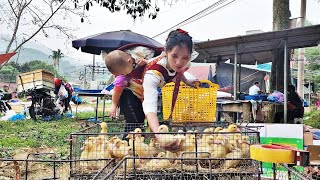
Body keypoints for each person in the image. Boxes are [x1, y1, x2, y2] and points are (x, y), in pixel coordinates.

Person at [142, 29, 199, 139]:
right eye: (174, 56)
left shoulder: (186, 64)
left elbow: (179, 71)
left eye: (185, 58)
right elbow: (150, 105)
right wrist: (160, 136)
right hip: (135, 88)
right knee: (137, 120)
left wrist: (186, 81)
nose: (179, 62)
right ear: (166, 52)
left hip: (155, 86)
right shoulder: (153, 72)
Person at [103, 47, 155, 135]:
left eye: (123, 73)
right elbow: (117, 91)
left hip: (140, 94)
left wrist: (146, 62)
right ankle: (128, 142)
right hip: (128, 95)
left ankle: (136, 140)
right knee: (134, 120)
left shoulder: (140, 57)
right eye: (119, 74)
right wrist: (114, 104)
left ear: (129, 61)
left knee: (140, 118)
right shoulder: (121, 77)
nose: (122, 75)